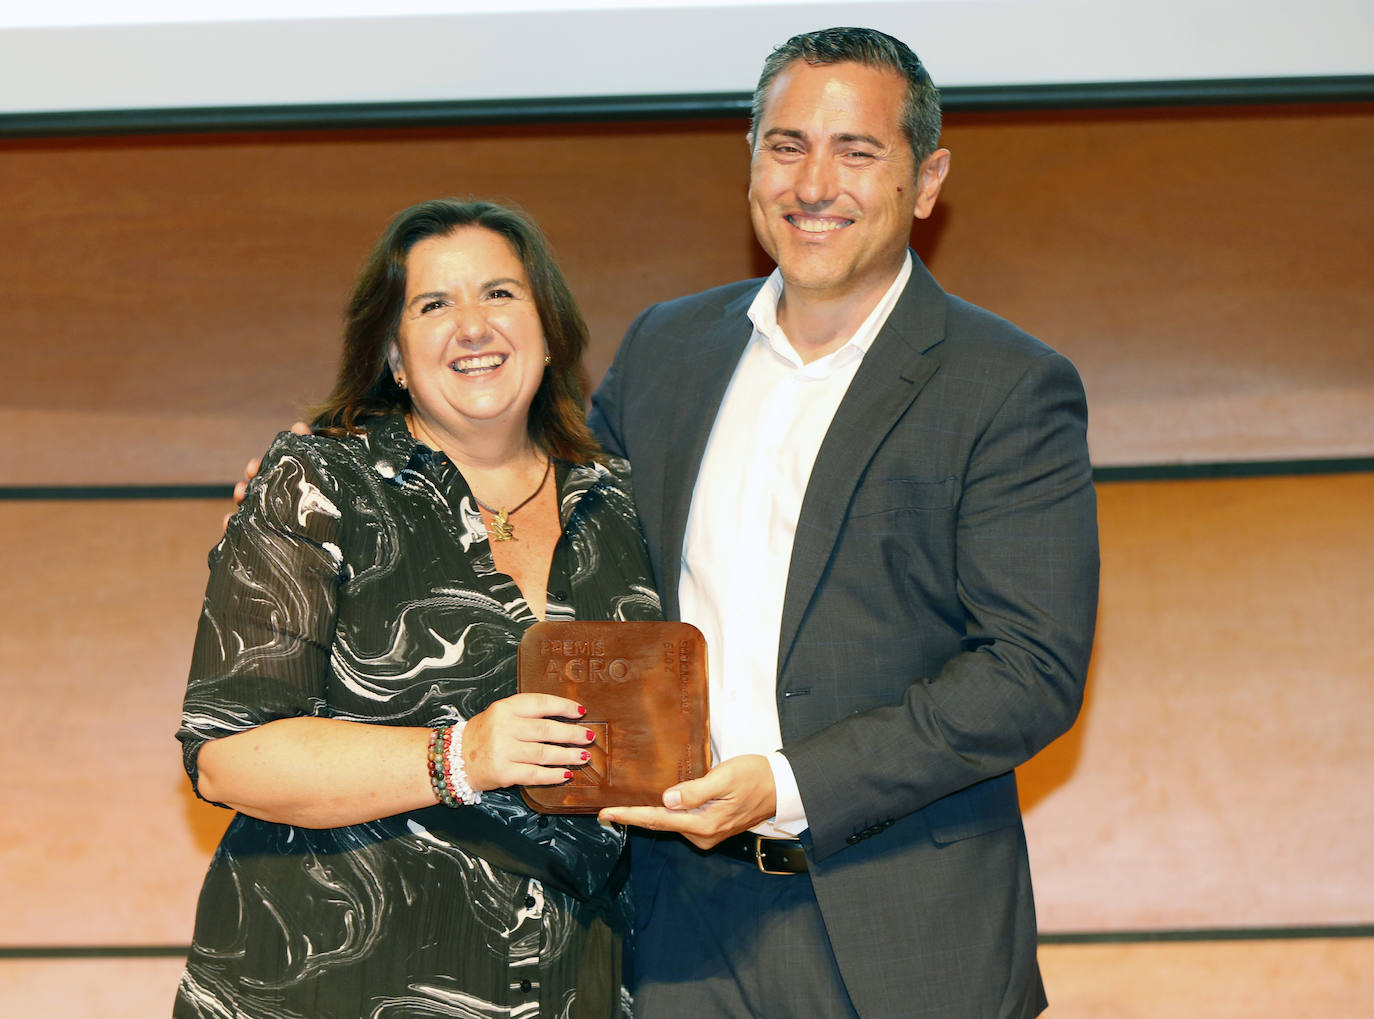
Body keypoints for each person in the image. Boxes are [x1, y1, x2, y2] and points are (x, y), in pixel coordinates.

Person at [590, 27, 1100, 1019]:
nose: (813, 183)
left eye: (856, 151)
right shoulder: (665, 348)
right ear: (751, 164)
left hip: (906, 931)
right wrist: (350, 467)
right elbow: (546, 512)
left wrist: (787, 782)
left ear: (926, 178)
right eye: (785, 145)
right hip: (672, 924)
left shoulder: (1008, 386)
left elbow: (1030, 670)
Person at [176, 198, 660, 1018]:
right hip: (330, 980)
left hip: (564, 984)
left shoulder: (625, 502)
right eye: (434, 305)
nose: (472, 326)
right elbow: (228, 753)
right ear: (395, 354)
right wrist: (461, 755)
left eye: (500, 294)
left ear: (549, 333)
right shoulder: (322, 480)